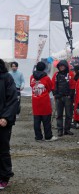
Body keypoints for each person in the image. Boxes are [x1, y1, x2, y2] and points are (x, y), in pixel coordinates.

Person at [0, 59, 19, 190]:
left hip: (3, 121)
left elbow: (13, 99)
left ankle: (4, 177)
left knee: (2, 149)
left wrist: (5, 117)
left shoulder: (6, 78)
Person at [30, 62, 58, 142]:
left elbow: (31, 86)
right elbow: (50, 88)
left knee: (36, 120)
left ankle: (38, 137)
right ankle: (48, 137)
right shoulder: (46, 78)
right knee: (46, 120)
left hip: (35, 101)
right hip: (44, 101)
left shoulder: (32, 77)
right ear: (44, 68)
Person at [52, 60, 76, 137]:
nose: (61, 67)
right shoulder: (56, 75)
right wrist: (55, 94)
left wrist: (70, 95)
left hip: (67, 97)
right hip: (59, 97)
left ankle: (67, 129)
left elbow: (73, 85)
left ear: (66, 66)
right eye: (60, 66)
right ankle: (60, 129)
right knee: (59, 114)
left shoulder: (71, 74)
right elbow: (52, 84)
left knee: (69, 114)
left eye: (63, 66)